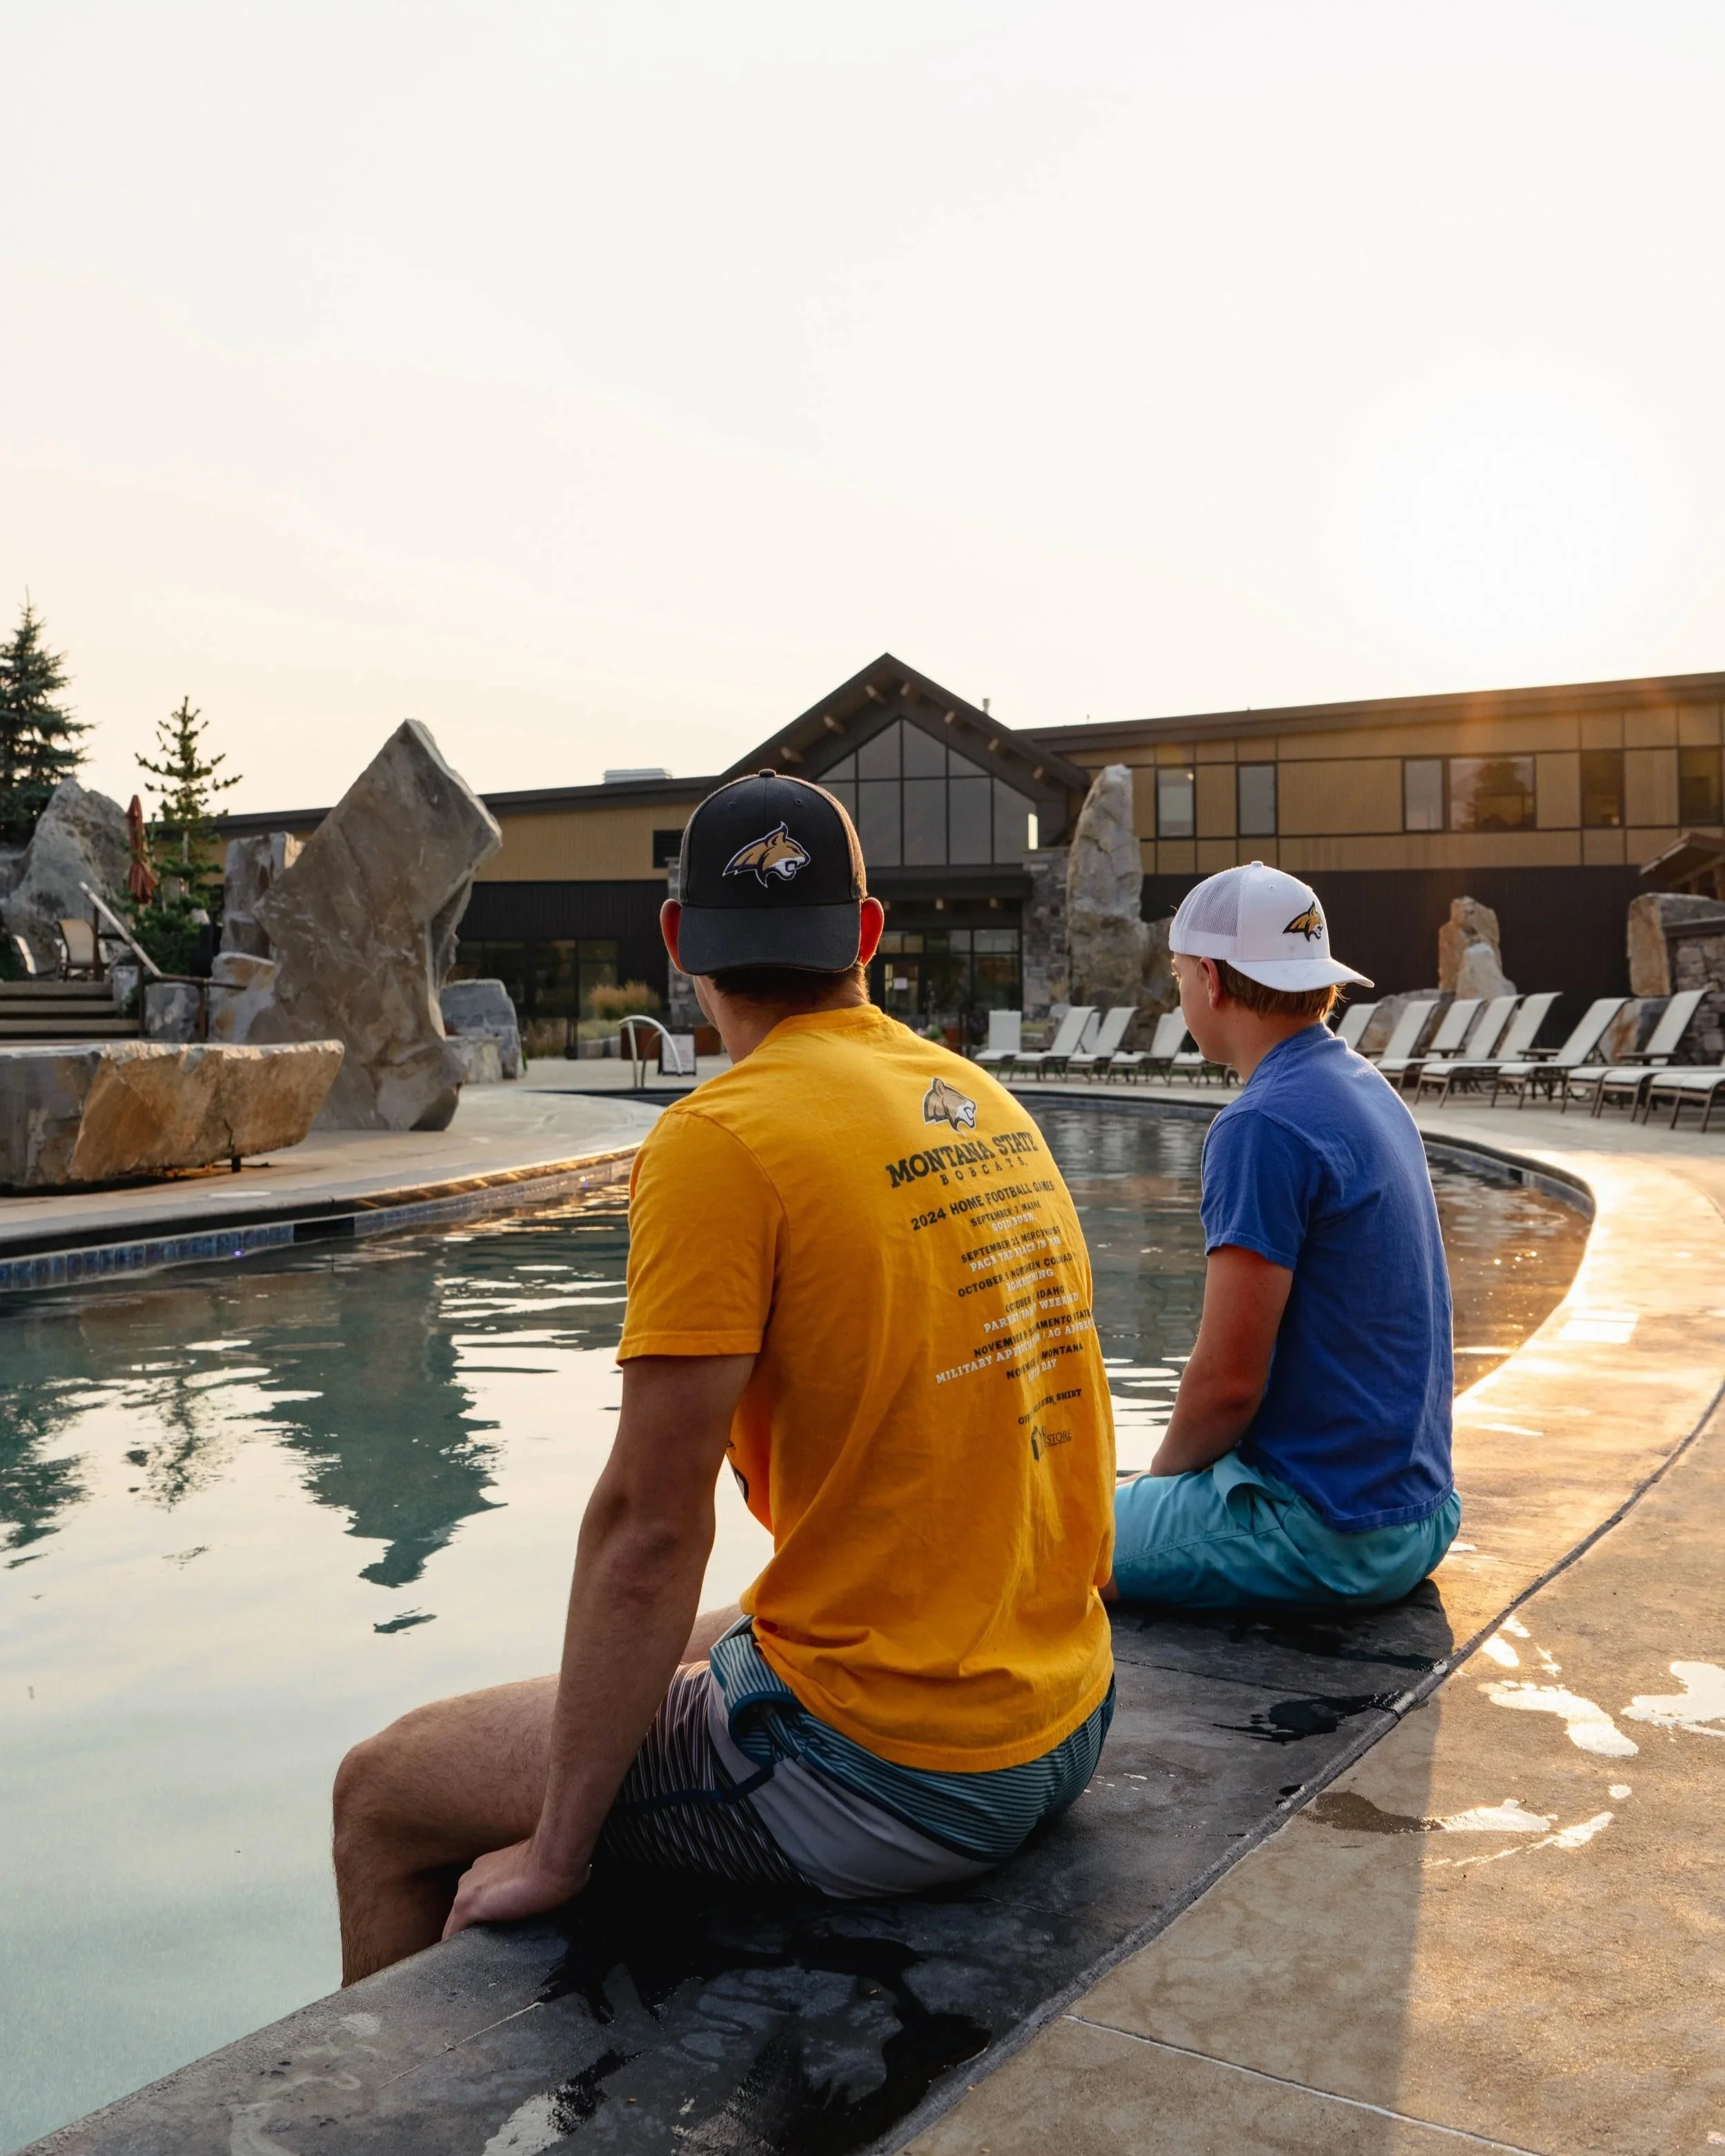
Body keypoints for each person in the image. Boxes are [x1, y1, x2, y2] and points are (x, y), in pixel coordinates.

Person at [333, 769, 1116, 1981]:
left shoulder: (719, 1141)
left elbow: (650, 1528)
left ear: (676, 940)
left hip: (899, 1780)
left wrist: (555, 1844)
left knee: (383, 1789)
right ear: (866, 935)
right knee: (704, 1638)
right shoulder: (985, 1103)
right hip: (1065, 1717)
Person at [1109, 860, 1459, 1610]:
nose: (1181, 997)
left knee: (1042, 1539)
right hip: (1421, 1513)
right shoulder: (1364, 1086)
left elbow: (1227, 1384)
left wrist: (1157, 1492)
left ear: (1211, 978)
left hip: (1327, 1532)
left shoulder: (1260, 1124)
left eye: (1177, 977)